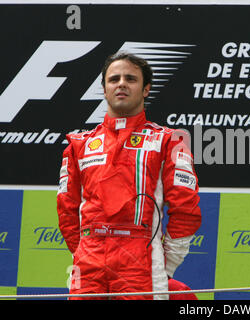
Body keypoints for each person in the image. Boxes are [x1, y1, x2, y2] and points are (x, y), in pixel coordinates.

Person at [56, 52, 201, 300]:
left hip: (141, 257)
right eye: (114, 79)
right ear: (104, 89)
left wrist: (163, 264)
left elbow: (186, 209)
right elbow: (67, 211)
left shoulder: (168, 141)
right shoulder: (78, 144)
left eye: (130, 79)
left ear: (146, 89)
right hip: (88, 258)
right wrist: (81, 252)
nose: (121, 83)